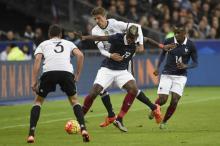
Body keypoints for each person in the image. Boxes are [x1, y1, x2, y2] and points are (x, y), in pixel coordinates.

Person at [86, 6, 168, 128]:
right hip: (110, 58)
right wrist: (110, 55)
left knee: (132, 90)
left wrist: (140, 43)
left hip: (124, 60)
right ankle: (111, 115)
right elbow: (101, 49)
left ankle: (152, 108)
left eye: (99, 18)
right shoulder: (95, 31)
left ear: (105, 16)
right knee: (100, 89)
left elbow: (137, 27)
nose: (97, 21)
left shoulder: (115, 24)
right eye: (95, 19)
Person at [26, 24, 90, 143]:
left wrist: (34, 80)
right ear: (61, 35)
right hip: (66, 72)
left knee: (38, 101)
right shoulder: (68, 43)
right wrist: (77, 74)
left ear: (49, 35)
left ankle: (31, 134)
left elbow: (38, 60)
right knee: (74, 101)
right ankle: (83, 129)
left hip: (49, 73)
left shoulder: (43, 44)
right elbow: (80, 55)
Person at [151, 25, 198, 129]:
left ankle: (164, 122)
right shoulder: (169, 41)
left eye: (178, 34)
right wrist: (157, 67)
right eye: (175, 33)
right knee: (163, 99)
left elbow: (195, 63)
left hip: (181, 76)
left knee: (175, 100)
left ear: (184, 34)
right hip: (167, 73)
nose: (176, 35)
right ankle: (153, 109)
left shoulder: (190, 45)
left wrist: (186, 66)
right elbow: (163, 54)